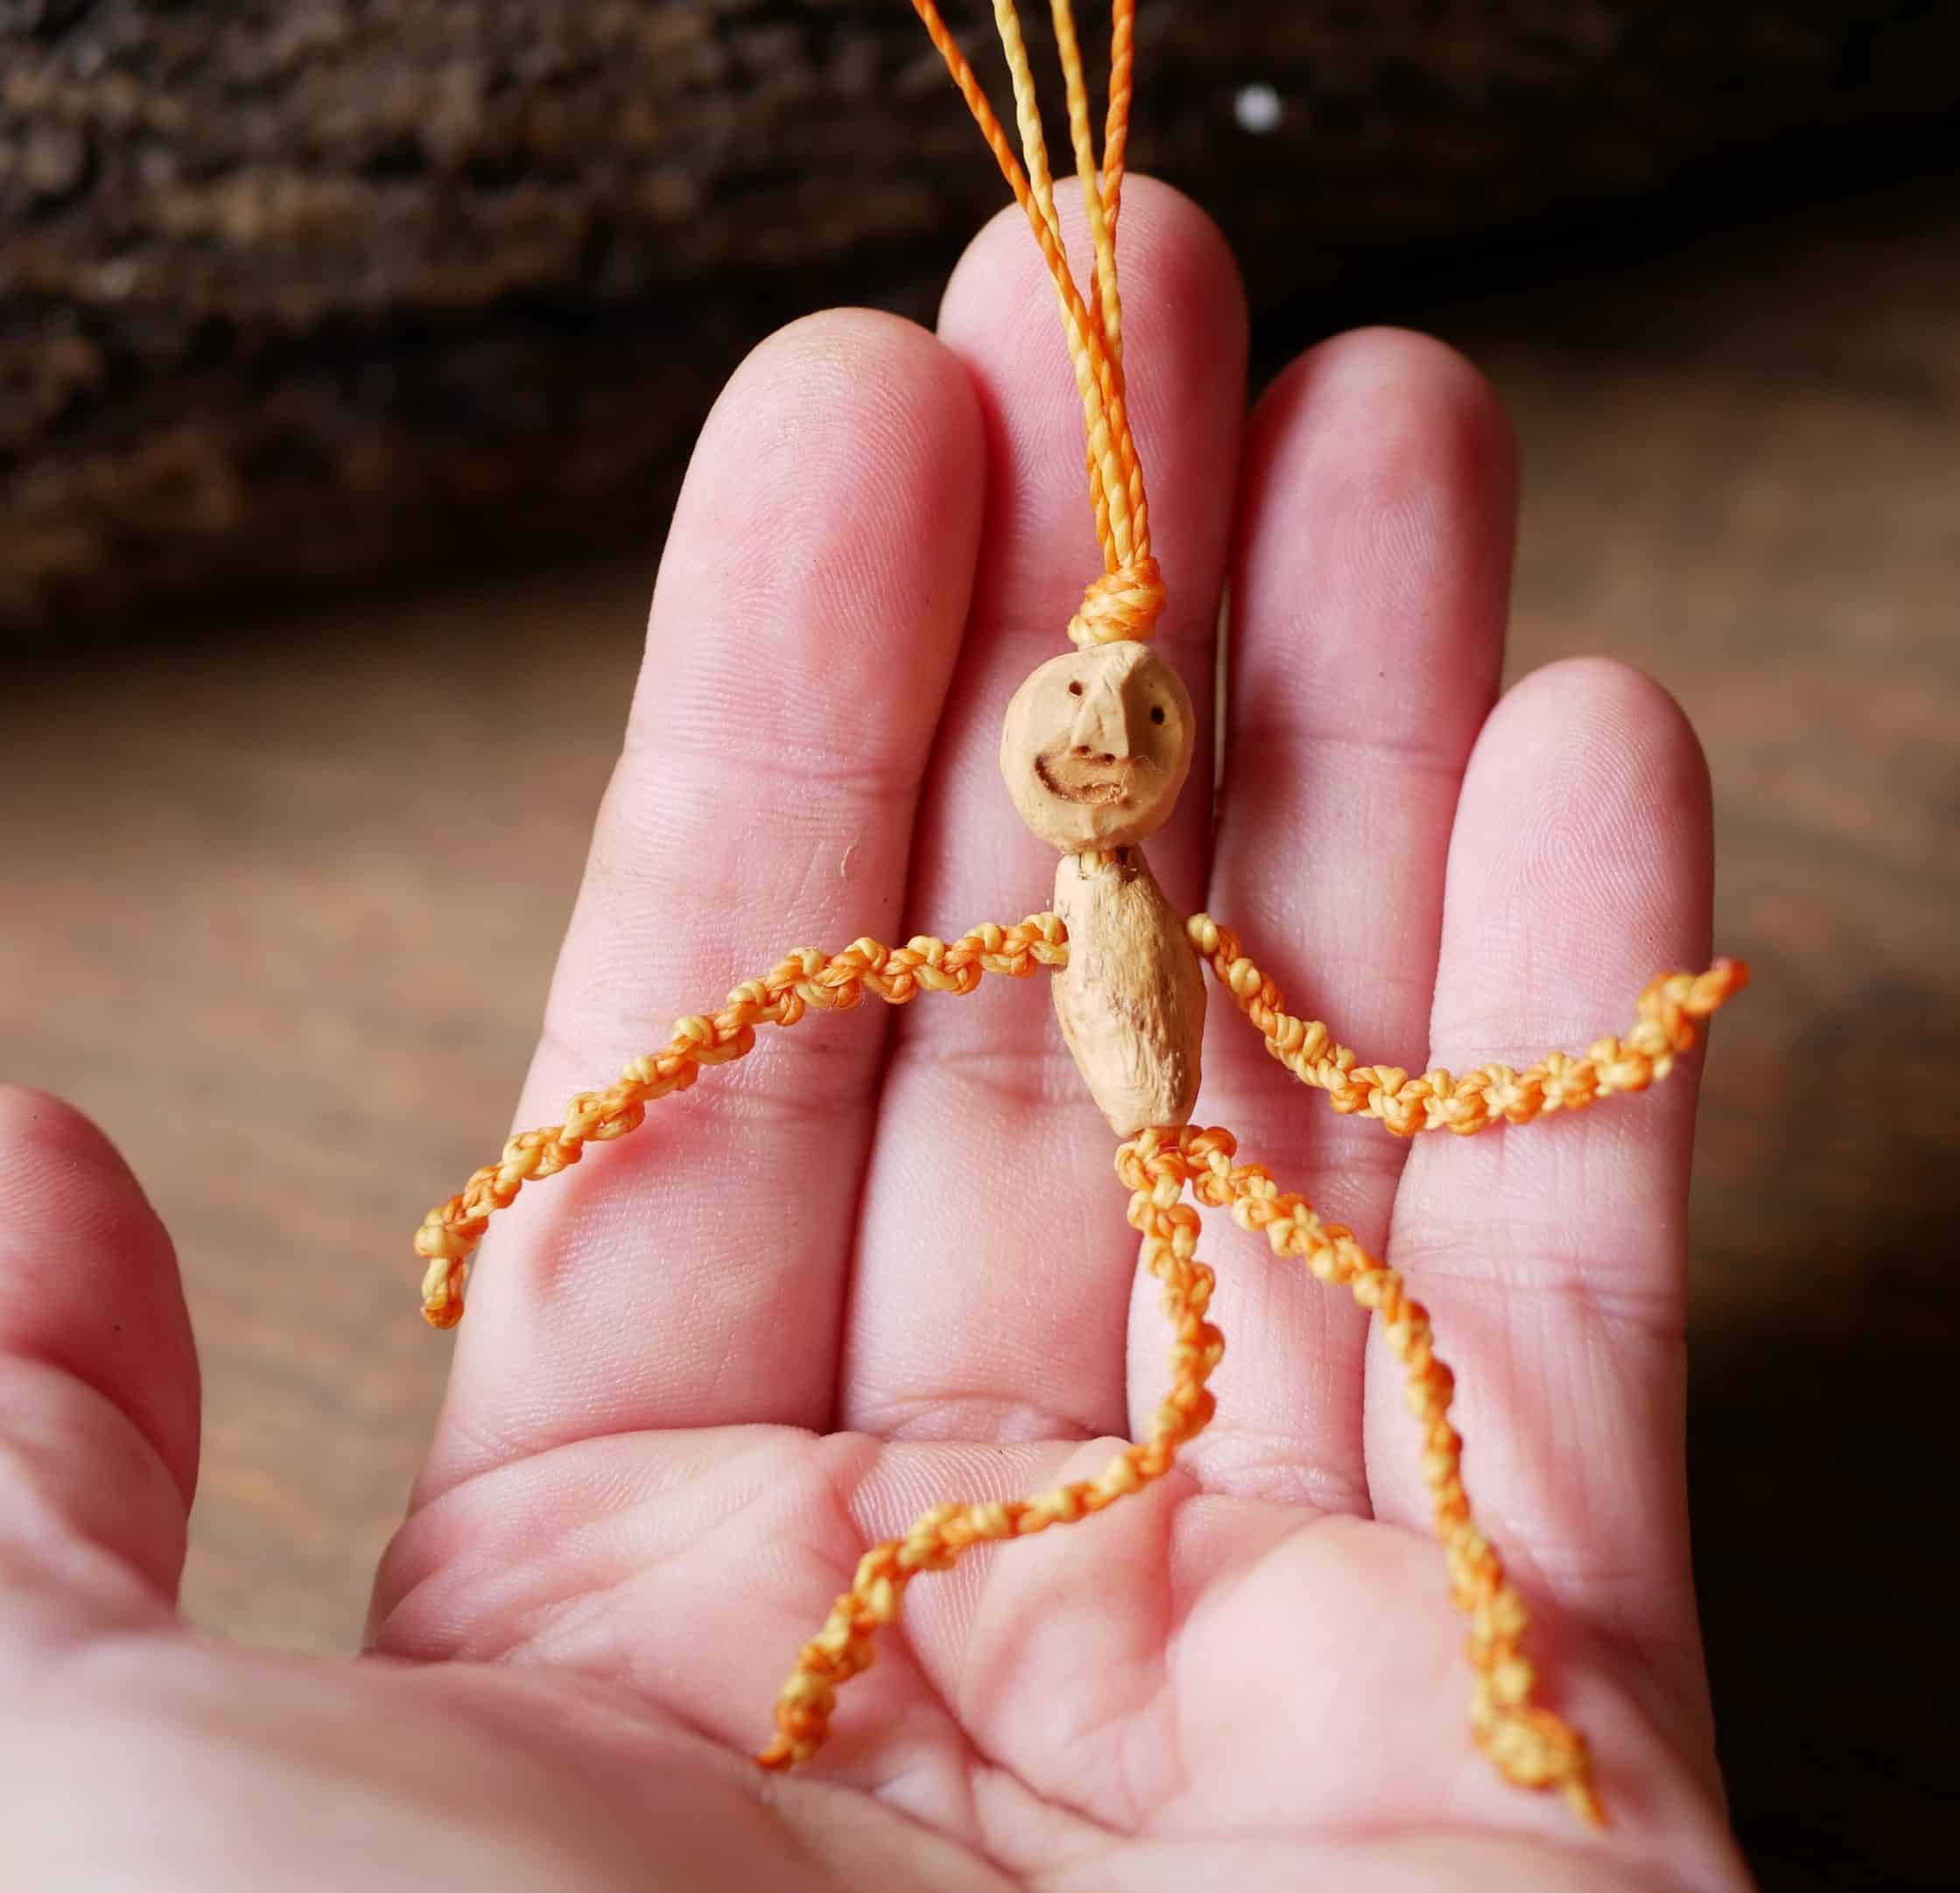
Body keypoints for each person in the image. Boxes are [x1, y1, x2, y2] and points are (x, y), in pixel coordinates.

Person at [0, 180, 1752, 1892]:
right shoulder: (1072, 908)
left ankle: (1492, 1681)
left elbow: (1354, 1074)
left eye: (1135, 712)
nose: (1101, 729)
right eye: (1079, 707)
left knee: (1402, 1338)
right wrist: (514, 1188)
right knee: (847, 1047)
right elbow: (773, 1007)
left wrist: (1567, 1071)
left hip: (1187, 1152)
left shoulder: (1186, 934)